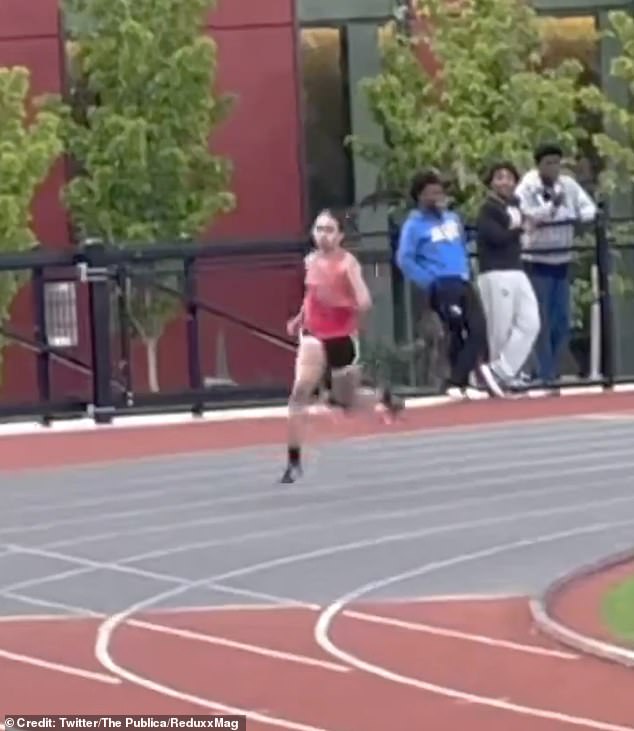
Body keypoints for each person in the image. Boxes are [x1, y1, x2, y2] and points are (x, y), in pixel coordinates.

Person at [281, 209, 404, 484]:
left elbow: (364, 302)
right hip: (313, 335)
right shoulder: (310, 261)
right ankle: (293, 460)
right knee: (300, 391)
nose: (322, 235)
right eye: (318, 229)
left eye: (329, 230)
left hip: (342, 338)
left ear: (340, 236)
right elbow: (311, 295)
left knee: (347, 403)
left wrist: (335, 300)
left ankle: (383, 397)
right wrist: (299, 318)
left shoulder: (348, 264)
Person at [396, 169, 503, 398]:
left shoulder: (453, 219)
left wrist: (466, 271)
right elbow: (405, 258)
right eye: (431, 192)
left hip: (463, 280)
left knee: (478, 329)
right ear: (420, 196)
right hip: (441, 285)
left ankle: (459, 379)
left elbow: (461, 246)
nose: (437, 196)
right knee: (456, 330)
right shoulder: (414, 226)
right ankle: (457, 382)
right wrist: (428, 281)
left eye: (439, 191)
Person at [515, 143, 597, 384]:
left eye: (556, 162)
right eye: (548, 163)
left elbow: (588, 207)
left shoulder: (568, 185)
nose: (553, 168)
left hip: (562, 258)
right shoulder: (528, 188)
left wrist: (579, 216)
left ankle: (553, 368)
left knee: (561, 320)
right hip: (536, 260)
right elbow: (529, 215)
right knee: (540, 319)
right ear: (538, 165)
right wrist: (553, 206)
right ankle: (545, 373)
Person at [475, 161, 541, 394]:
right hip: (495, 271)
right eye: (499, 177)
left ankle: (502, 370)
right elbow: (496, 237)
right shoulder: (488, 210)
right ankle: (497, 378)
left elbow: (522, 237)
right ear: (491, 183)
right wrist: (521, 228)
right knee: (500, 327)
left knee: (530, 321)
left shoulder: (515, 207)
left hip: (516, 268)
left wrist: (526, 228)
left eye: (509, 177)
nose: (505, 182)